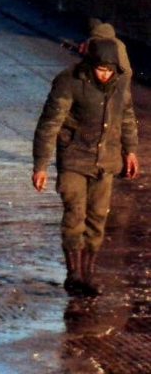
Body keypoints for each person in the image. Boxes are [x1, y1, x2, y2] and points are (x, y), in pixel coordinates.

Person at [32, 38, 140, 296]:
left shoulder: (119, 84)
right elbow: (49, 124)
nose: (105, 75)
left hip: (106, 161)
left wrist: (131, 150)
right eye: (100, 69)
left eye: (109, 70)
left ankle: (88, 274)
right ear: (90, 64)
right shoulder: (69, 82)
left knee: (97, 218)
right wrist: (41, 165)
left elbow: (126, 118)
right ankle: (74, 274)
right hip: (74, 159)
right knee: (74, 215)